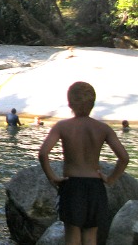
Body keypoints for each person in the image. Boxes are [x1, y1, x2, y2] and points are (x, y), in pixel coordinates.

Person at [38, 81, 129, 245]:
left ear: (69, 103)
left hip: (72, 186)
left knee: (72, 236)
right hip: (95, 187)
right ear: (92, 103)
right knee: (90, 236)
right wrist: (110, 179)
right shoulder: (103, 128)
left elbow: (43, 154)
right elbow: (124, 158)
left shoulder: (62, 126)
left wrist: (53, 177)